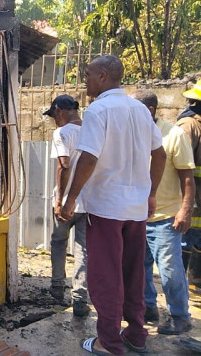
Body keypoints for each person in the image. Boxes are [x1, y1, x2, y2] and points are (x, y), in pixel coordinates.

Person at [60, 55, 166, 355]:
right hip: (135, 208)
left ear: (104, 76)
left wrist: (70, 200)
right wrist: (151, 193)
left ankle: (108, 341)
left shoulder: (98, 111)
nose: (85, 79)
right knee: (134, 273)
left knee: (105, 275)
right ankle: (136, 335)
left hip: (106, 208)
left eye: (89, 74)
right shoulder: (140, 109)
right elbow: (159, 155)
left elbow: (89, 158)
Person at [130, 89, 194, 335]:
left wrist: (185, 210)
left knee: (169, 271)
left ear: (149, 111)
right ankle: (148, 309)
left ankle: (180, 316)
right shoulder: (133, 135)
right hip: (137, 216)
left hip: (166, 218)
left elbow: (187, 177)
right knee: (139, 269)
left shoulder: (174, 135)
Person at [42, 94, 89, 316]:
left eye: (53, 116)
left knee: (58, 242)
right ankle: (80, 298)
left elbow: (64, 165)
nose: (54, 120)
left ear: (59, 110)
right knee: (83, 249)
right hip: (89, 202)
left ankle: (57, 289)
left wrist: (60, 200)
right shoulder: (92, 130)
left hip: (68, 201)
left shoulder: (62, 133)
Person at [176, 79, 201, 280]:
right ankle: (183, 286)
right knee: (187, 237)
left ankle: (195, 282)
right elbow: (180, 163)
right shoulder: (188, 125)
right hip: (192, 196)